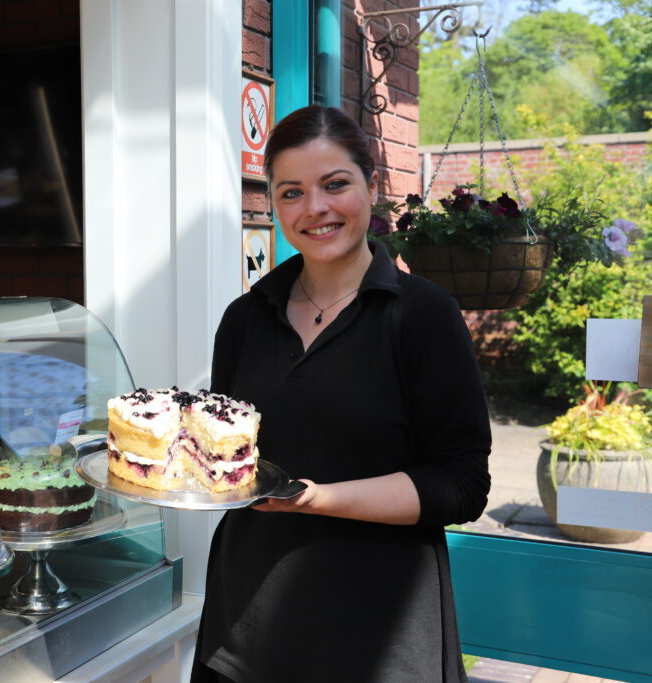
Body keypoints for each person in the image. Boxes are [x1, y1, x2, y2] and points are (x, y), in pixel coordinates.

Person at [190, 104, 491, 682]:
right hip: (245, 624)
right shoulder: (245, 318)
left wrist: (316, 497)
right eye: (291, 193)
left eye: (335, 185)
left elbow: (461, 484)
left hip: (378, 630)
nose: (316, 209)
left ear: (371, 187)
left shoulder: (423, 316)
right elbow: (228, 455)